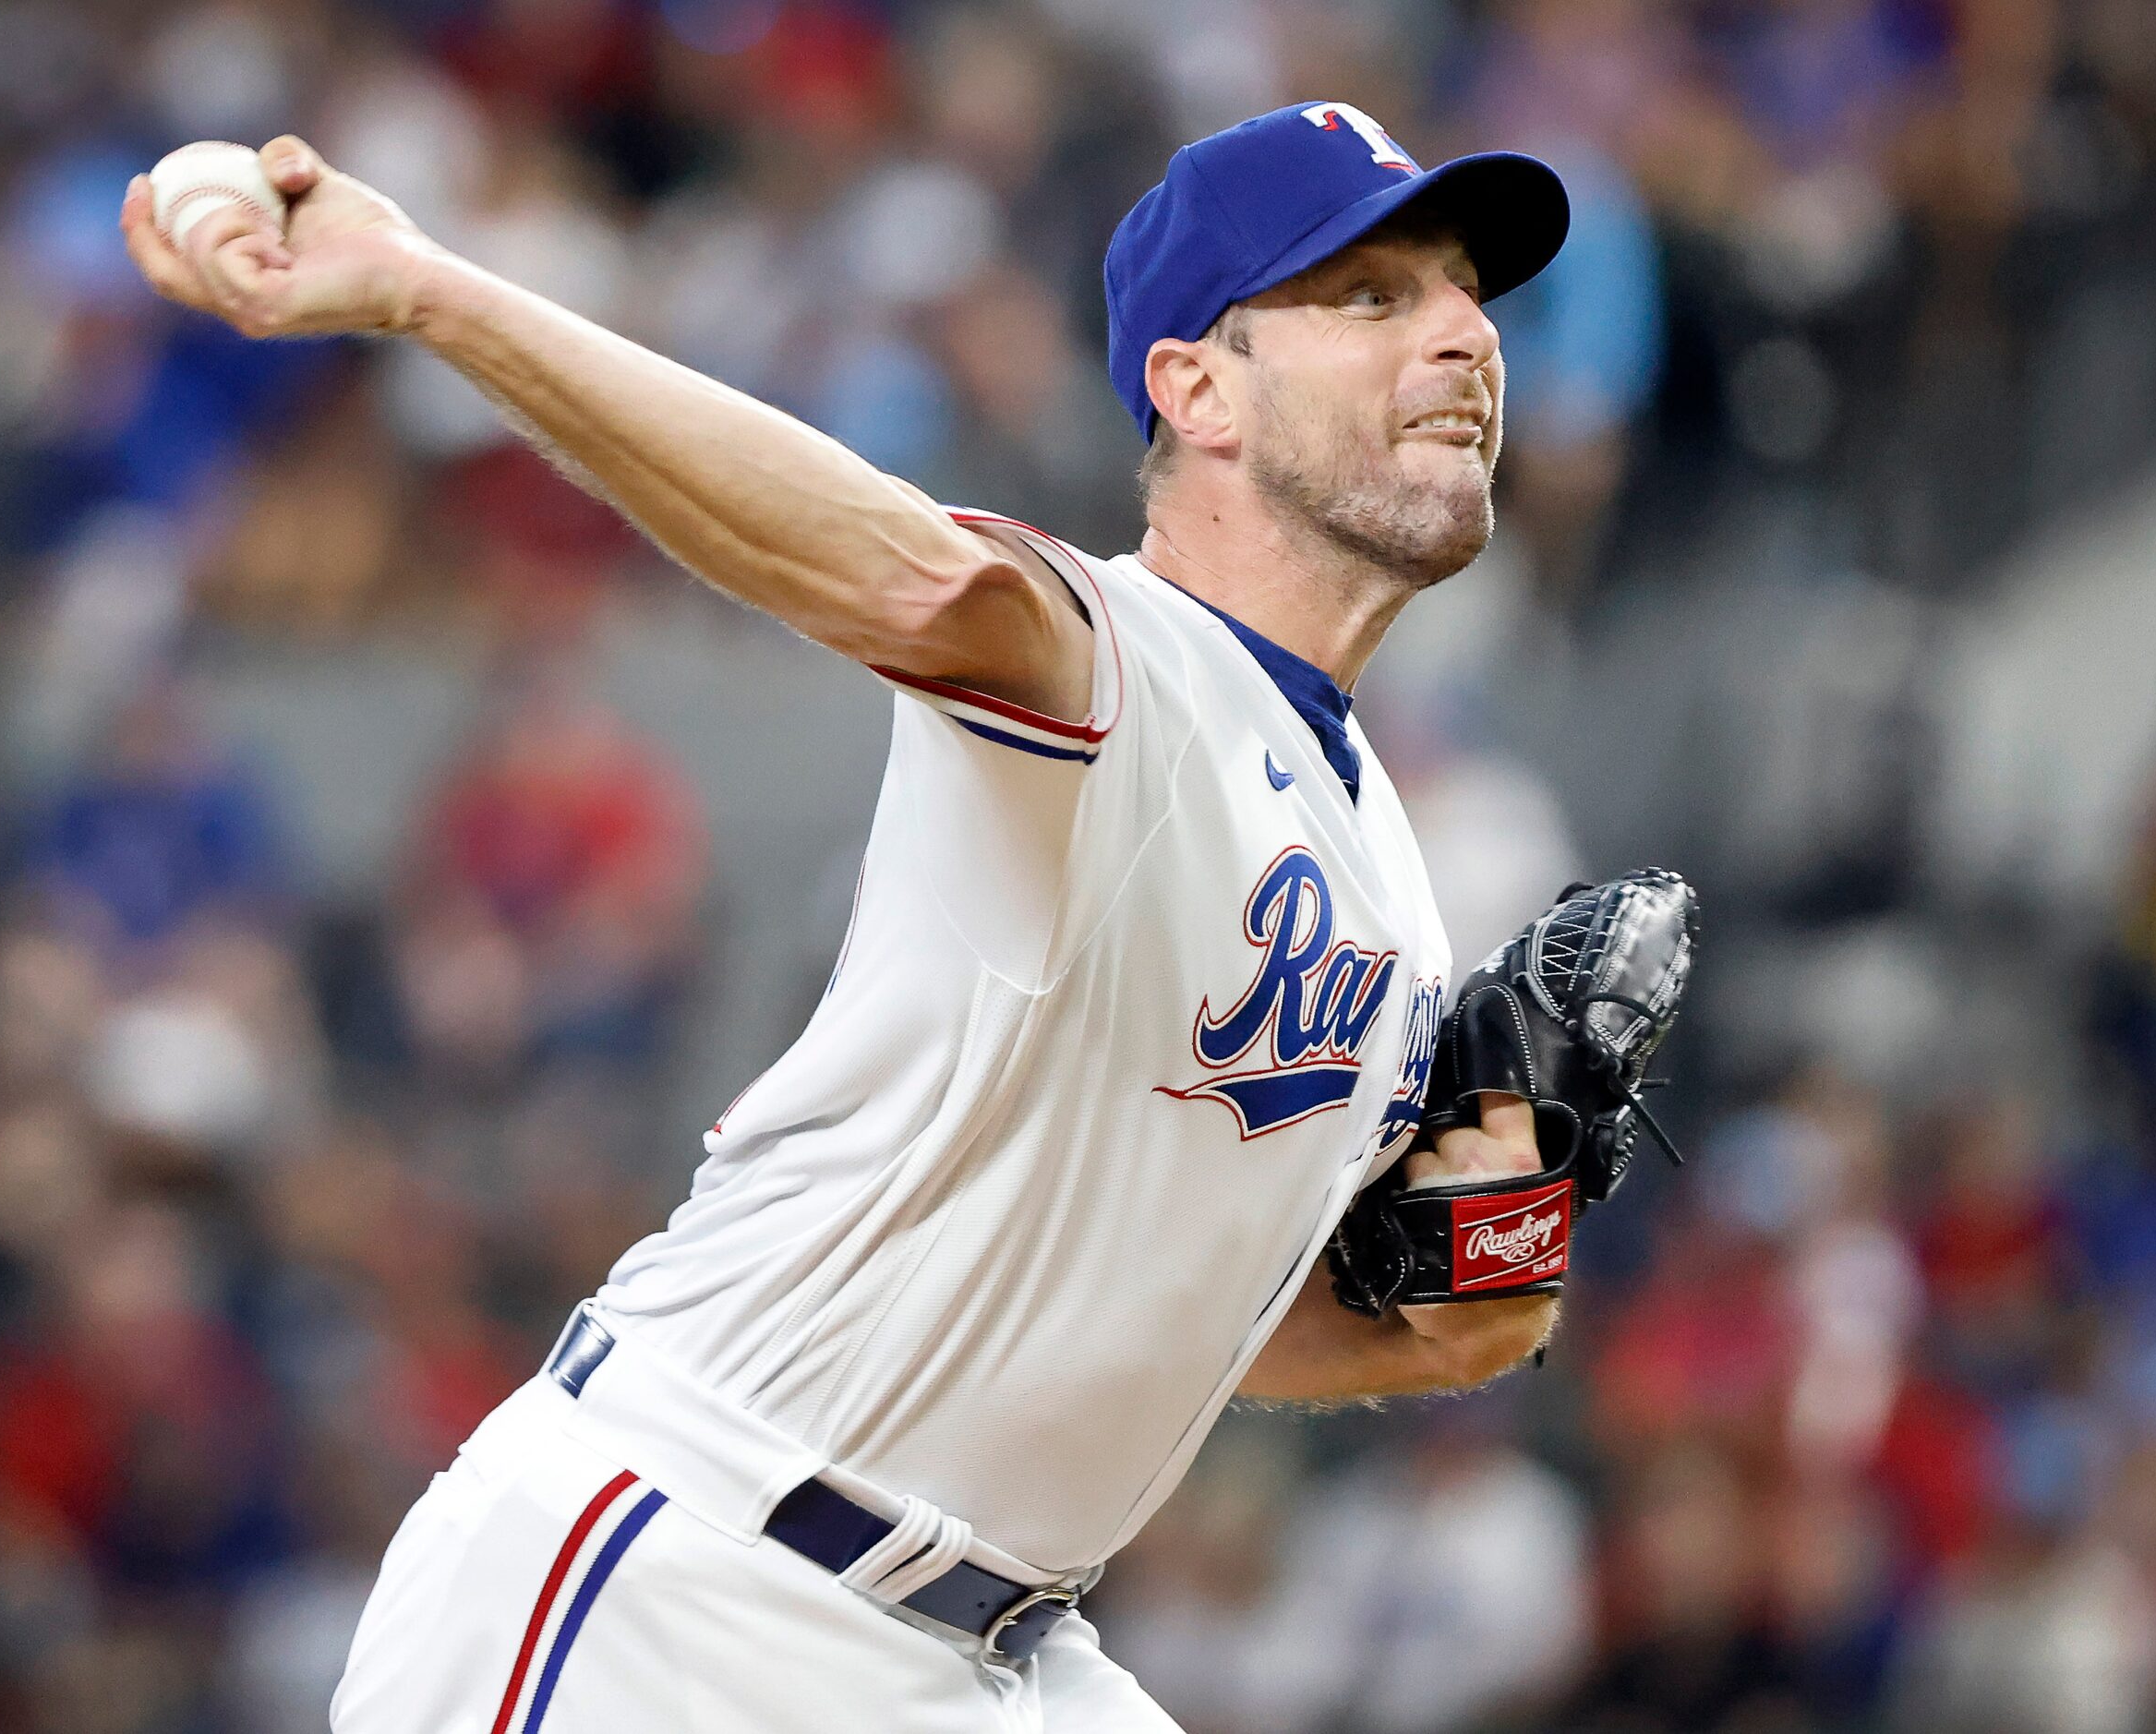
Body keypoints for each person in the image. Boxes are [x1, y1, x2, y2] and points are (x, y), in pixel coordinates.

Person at [121, 100, 1574, 1733]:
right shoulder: (1118, 659)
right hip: (682, 1584)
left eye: (1466, 291)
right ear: (1196, 388)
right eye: (1375, 297)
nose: (1465, 334)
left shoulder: (1381, 856)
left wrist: (1474, 1289)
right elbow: (910, 578)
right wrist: (433, 292)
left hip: (991, 1650)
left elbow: (1185, 1316)